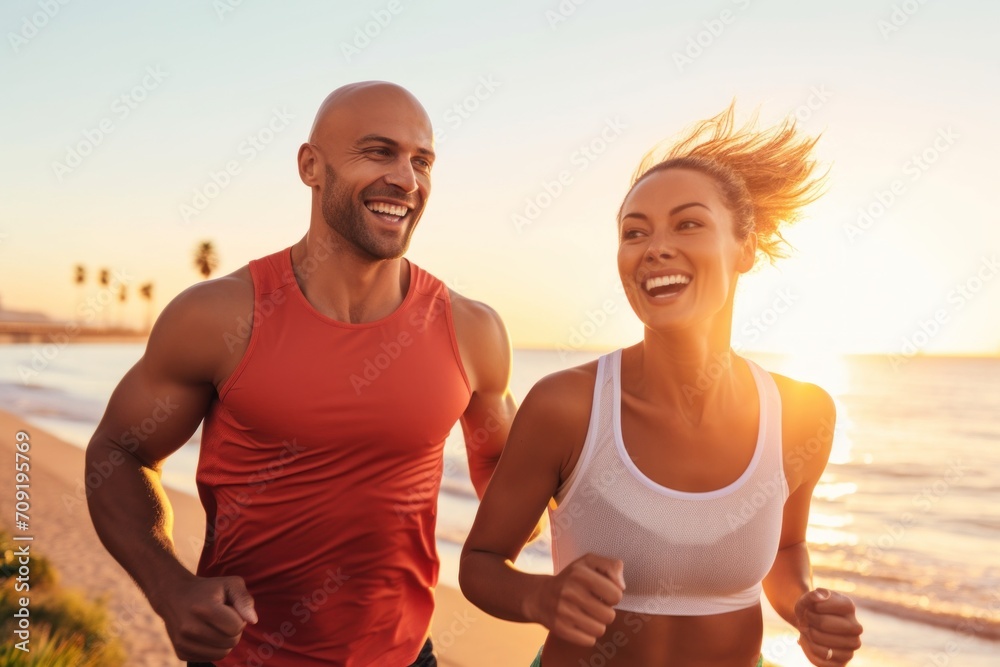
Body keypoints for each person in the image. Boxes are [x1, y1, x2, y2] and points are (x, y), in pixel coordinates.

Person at [86, 81, 517, 666]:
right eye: (378, 152)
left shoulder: (471, 330)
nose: (407, 179)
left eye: (422, 161)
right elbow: (119, 452)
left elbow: (507, 472)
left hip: (407, 657)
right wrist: (171, 590)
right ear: (311, 166)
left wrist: (538, 524)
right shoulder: (220, 315)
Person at [459, 105, 864, 666]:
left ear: (744, 248)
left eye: (688, 223)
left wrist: (806, 608)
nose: (655, 248)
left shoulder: (803, 413)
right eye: (634, 232)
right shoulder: (567, 406)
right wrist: (539, 596)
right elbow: (480, 560)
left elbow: (787, 550)